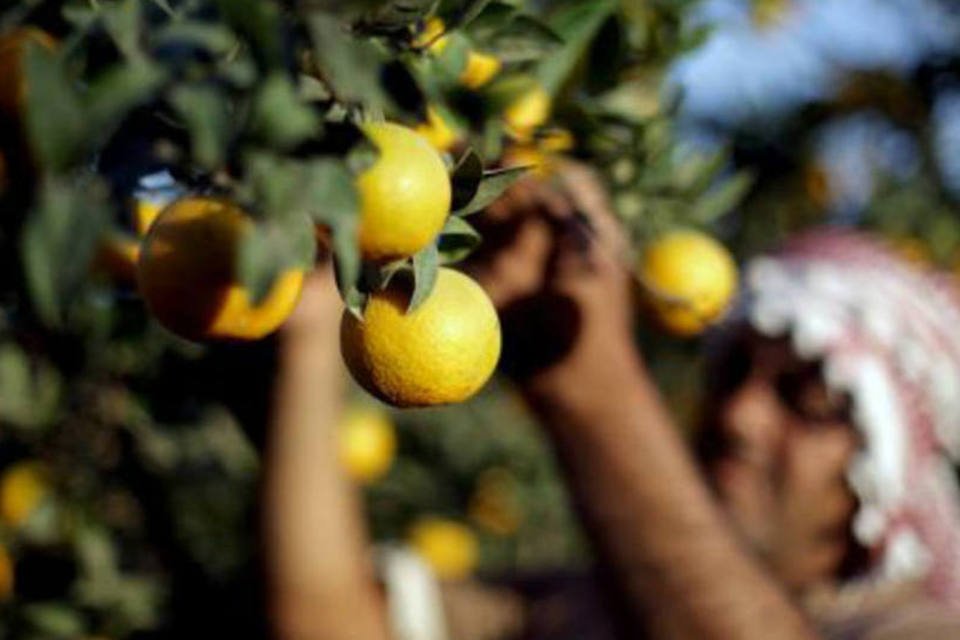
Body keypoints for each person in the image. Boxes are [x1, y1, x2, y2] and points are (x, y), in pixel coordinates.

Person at [261, 163, 960, 639]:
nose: (741, 416)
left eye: (805, 401)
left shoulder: (922, 626)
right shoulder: (588, 606)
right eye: (732, 373)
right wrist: (317, 320)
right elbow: (333, 622)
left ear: (887, 471)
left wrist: (591, 382)